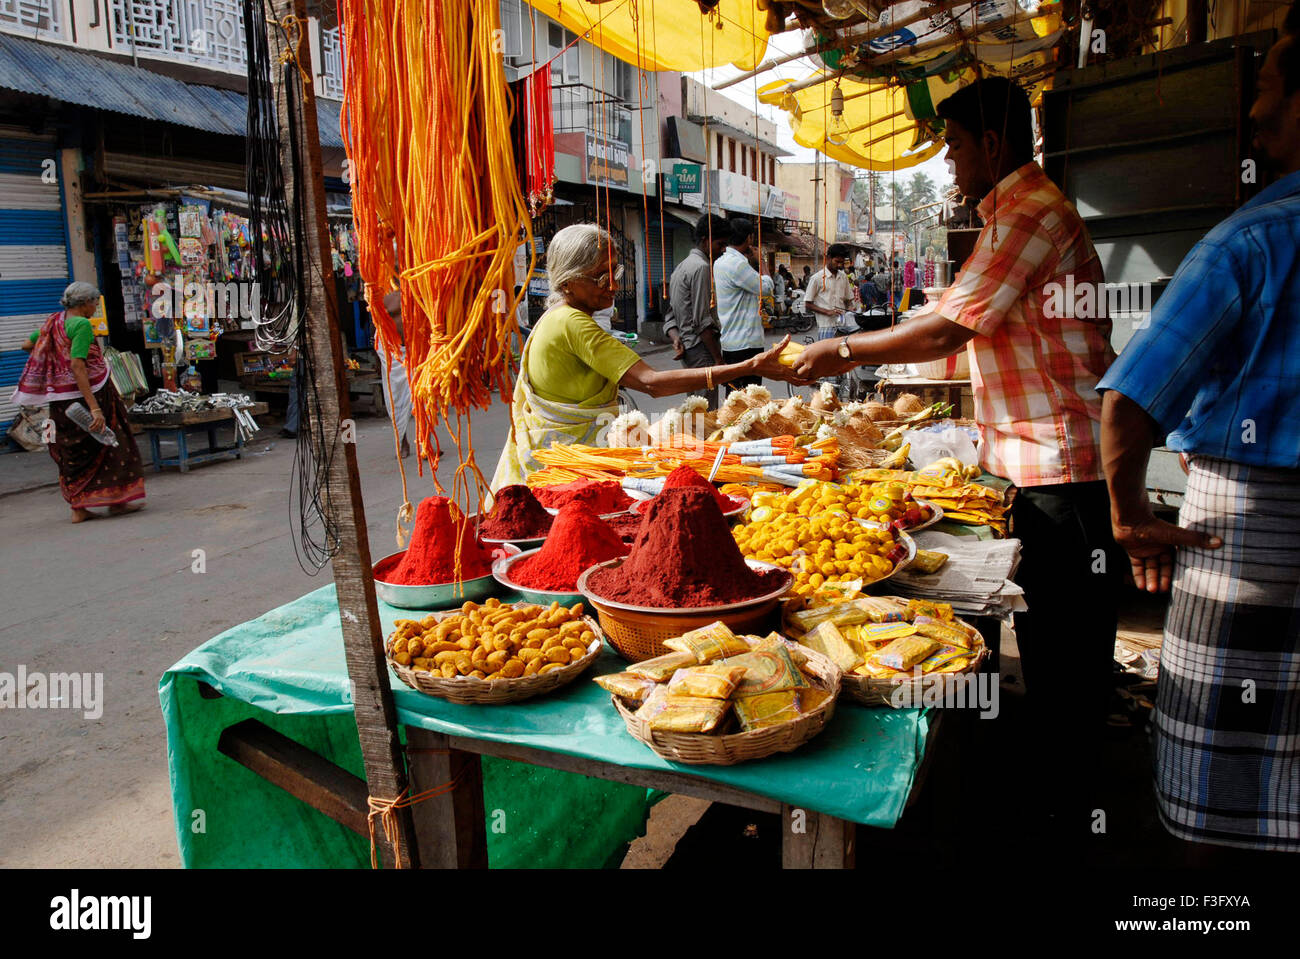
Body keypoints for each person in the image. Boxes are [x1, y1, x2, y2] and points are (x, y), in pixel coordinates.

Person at [793, 77, 1122, 837]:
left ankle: (1066, 821)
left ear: (994, 145)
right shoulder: (1014, 214)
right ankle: (1046, 797)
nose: (949, 163)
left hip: (1061, 473)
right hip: (1033, 468)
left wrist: (837, 349)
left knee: (1067, 668)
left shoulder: (1031, 213)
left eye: (956, 145)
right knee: (1051, 657)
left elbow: (949, 329)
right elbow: (948, 315)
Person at [1097, 8, 1300, 860]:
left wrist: (1130, 514)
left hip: (1251, 545)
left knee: (1220, 798)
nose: (1253, 114)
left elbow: (1129, 403)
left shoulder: (1250, 242)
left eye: (1268, 91)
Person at [492, 224, 792, 488]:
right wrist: (747, 366)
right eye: (600, 276)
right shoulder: (573, 323)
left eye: (615, 271)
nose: (614, 285)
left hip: (559, 460)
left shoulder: (554, 317)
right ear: (568, 281)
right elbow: (651, 383)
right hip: (567, 470)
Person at [11, 282, 145, 522]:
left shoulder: (55, 322)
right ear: (85, 303)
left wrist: (53, 355)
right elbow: (77, 365)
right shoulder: (81, 325)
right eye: (94, 302)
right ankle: (116, 502)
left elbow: (27, 345)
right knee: (113, 443)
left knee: (72, 450)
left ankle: (79, 508)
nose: (95, 307)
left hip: (61, 402)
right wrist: (94, 407)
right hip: (89, 395)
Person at [663, 214, 728, 410]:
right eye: (720, 244)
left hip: (688, 348)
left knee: (695, 408)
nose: (723, 250)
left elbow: (669, 317)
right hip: (702, 350)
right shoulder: (701, 268)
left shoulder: (682, 267)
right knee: (706, 412)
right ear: (705, 241)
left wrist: (676, 337)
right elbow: (702, 321)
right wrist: (718, 359)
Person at [713, 218, 774, 392]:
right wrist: (761, 260)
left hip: (730, 342)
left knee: (735, 397)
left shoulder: (720, 262)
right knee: (750, 398)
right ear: (749, 238)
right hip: (746, 344)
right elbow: (767, 288)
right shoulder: (737, 264)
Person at [377, 288, 414, 458]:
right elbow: (377, 323)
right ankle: (402, 441)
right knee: (395, 397)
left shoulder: (416, 284)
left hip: (416, 346)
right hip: (392, 350)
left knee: (421, 395)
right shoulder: (381, 290)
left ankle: (426, 441)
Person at [804, 243, 855, 341]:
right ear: (828, 258)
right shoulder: (817, 278)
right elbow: (808, 304)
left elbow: (848, 300)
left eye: (842, 262)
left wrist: (850, 309)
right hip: (826, 326)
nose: (840, 265)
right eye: (837, 261)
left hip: (843, 326)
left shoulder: (843, 277)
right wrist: (827, 312)